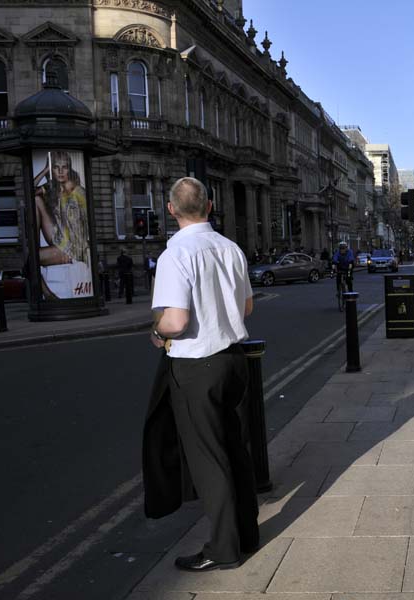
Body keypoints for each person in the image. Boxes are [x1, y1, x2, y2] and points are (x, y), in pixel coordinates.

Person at [143, 177, 258, 572]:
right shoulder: (231, 248)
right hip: (235, 362)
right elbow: (246, 308)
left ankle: (223, 549)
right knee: (236, 451)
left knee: (209, 461)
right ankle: (248, 535)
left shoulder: (175, 254)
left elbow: (176, 319)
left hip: (197, 368)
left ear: (171, 210)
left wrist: (158, 330)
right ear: (209, 207)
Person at [34, 151, 92, 299]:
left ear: (70, 169)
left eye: (64, 167)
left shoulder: (79, 192)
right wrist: (46, 170)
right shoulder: (53, 187)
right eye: (56, 167)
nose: (60, 171)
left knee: (32, 260)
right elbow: (30, 191)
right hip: (59, 238)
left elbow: (86, 225)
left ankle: (49, 295)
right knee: (36, 200)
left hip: (73, 247)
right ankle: (48, 294)